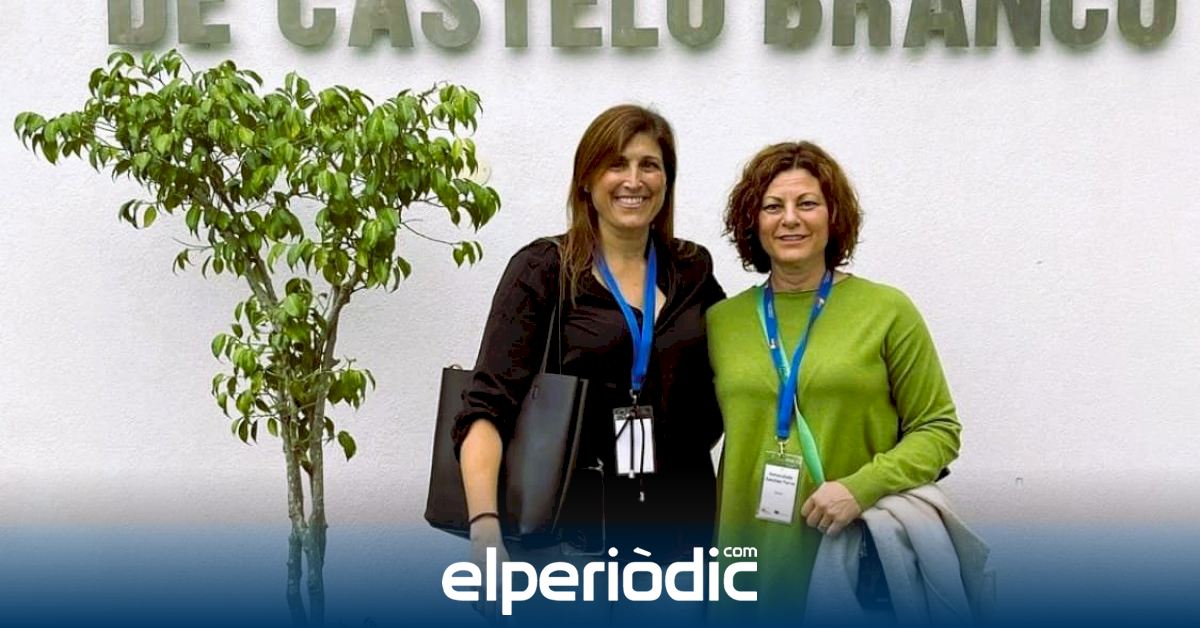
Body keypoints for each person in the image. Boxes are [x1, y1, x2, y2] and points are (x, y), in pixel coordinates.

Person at [451, 104, 725, 615]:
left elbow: (738, 371)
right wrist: (485, 532)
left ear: (666, 181)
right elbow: (486, 408)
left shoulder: (691, 271)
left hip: (679, 537)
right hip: (570, 544)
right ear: (586, 179)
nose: (634, 180)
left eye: (649, 165)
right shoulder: (544, 271)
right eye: (616, 164)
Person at [707, 141, 962, 619]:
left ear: (833, 216)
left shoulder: (887, 310)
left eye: (807, 203)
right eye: (772, 206)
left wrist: (862, 486)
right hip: (747, 563)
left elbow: (938, 430)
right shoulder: (721, 321)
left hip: (850, 561)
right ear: (753, 222)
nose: (790, 219)